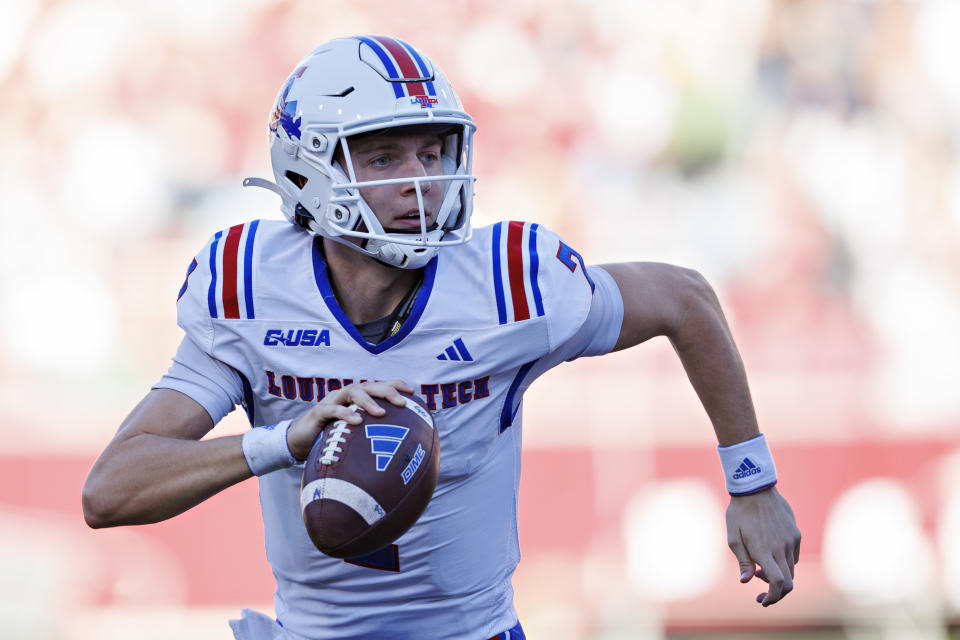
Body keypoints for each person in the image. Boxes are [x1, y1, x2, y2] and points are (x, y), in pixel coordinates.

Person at [82, 35, 801, 640]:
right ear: (307, 170)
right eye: (385, 158)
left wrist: (754, 482)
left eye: (432, 153)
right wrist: (283, 443)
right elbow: (109, 491)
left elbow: (686, 299)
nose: (421, 180)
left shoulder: (508, 281)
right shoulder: (249, 286)